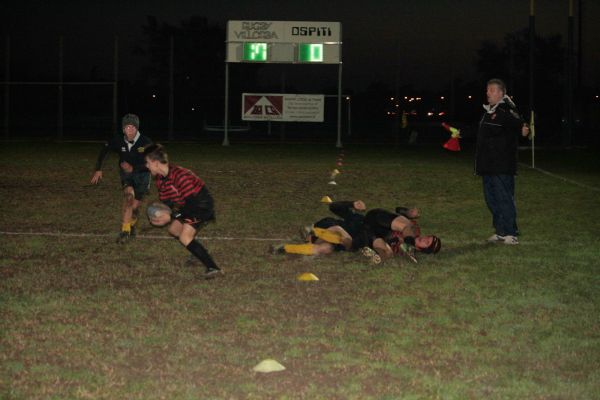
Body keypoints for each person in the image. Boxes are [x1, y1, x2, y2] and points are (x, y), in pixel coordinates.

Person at [143, 144, 222, 279]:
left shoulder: (180, 175)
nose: (146, 166)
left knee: (185, 237)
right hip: (187, 206)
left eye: (147, 163)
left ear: (155, 163)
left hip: (201, 206)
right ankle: (197, 251)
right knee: (174, 230)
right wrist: (161, 212)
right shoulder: (160, 180)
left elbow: (192, 204)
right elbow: (169, 202)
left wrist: (171, 216)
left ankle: (214, 268)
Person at [475, 78, 530, 245]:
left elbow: (522, 128)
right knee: (492, 200)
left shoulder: (506, 111)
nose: (488, 93)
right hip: (487, 166)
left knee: (504, 199)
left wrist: (525, 129)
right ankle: (500, 231)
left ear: (501, 93)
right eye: (487, 90)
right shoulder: (488, 113)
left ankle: (511, 233)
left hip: (502, 166)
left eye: (491, 90)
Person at [91, 113, 153, 243]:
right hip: (127, 175)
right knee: (128, 197)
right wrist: (98, 169)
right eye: (127, 127)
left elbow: (151, 165)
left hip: (143, 176)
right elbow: (105, 150)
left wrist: (134, 168)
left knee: (135, 207)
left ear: (137, 128)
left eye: (132, 127)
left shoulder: (146, 142)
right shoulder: (118, 140)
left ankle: (131, 225)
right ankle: (125, 231)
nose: (129, 129)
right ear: (123, 128)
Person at [363, 207, 442, 263]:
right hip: (377, 217)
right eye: (427, 237)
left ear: (424, 249)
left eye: (427, 242)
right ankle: (409, 245)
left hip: (369, 231)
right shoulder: (415, 229)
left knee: (389, 253)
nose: (424, 239)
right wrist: (409, 212)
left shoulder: (399, 251)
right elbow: (398, 210)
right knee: (408, 226)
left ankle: (377, 256)